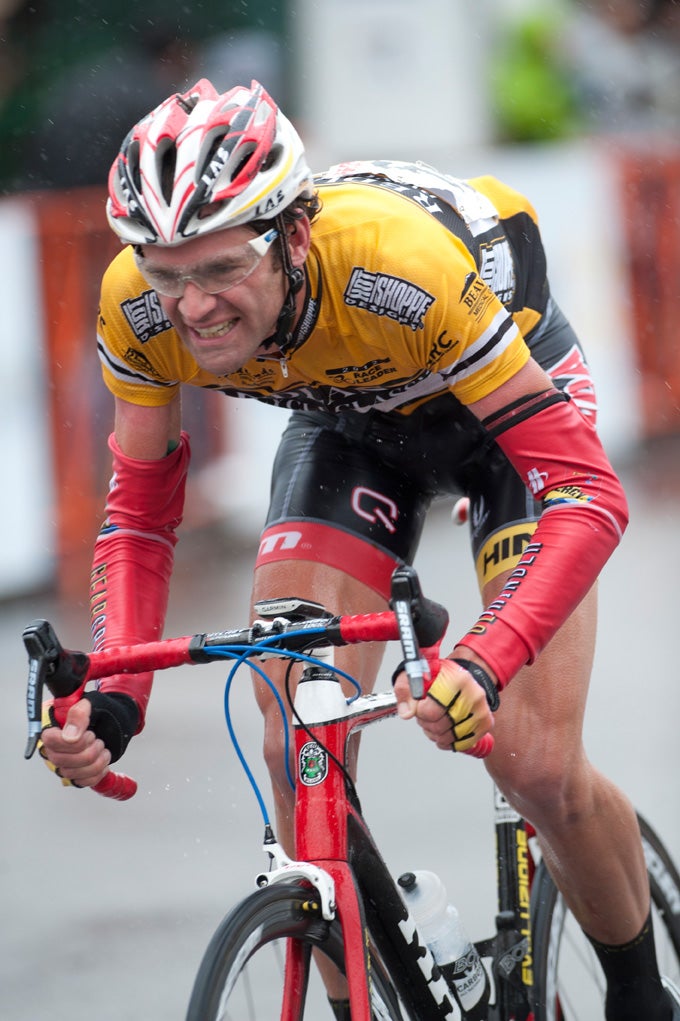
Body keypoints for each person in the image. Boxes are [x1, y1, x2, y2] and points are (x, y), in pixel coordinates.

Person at [39, 79, 679, 1021]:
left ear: (294, 237)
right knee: (295, 720)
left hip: (500, 409)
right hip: (350, 428)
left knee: (532, 758)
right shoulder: (135, 305)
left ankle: (640, 994)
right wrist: (117, 695)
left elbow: (590, 496)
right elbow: (139, 513)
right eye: (165, 272)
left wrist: (485, 657)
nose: (192, 306)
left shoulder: (396, 269)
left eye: (218, 269)